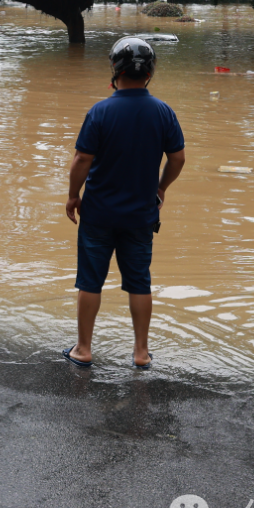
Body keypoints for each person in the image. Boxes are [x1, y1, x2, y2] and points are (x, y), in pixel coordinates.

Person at [63, 37, 186, 369]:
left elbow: (81, 160)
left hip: (98, 213)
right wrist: (160, 189)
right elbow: (177, 159)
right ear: (150, 74)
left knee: (90, 281)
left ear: (114, 71)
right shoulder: (163, 112)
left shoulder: (100, 111)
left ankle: (84, 349)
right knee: (139, 282)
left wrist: (74, 195)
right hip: (140, 215)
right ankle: (141, 353)